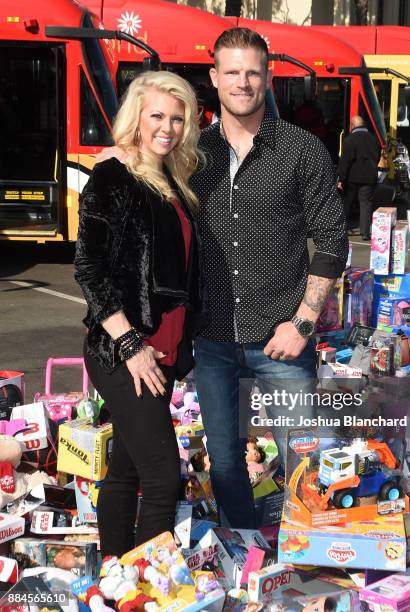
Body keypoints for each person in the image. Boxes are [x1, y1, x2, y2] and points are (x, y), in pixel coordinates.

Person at [190, 28, 349, 528]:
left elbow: (332, 240)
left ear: (267, 76)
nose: (242, 82)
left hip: (283, 339)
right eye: (231, 72)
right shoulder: (191, 153)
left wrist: (302, 323)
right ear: (214, 78)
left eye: (252, 72)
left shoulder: (302, 150)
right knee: (227, 460)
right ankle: (245, 549)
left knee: (305, 460)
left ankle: (307, 556)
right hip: (212, 337)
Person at [74, 71, 204, 558]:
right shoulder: (114, 175)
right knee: (162, 474)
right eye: (156, 116)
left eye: (176, 117)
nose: (166, 126)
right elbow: (89, 268)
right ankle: (150, 585)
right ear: (136, 118)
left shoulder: (174, 178)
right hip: (123, 350)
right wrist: (130, 345)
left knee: (127, 470)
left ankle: (114, 572)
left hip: (163, 352)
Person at [337, 115, 381, 241]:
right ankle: (365, 233)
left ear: (352, 126)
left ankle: (342, 230)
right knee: (366, 204)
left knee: (347, 203)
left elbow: (345, 162)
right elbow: (377, 157)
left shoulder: (349, 140)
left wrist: (340, 178)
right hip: (369, 177)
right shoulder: (374, 139)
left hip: (351, 178)